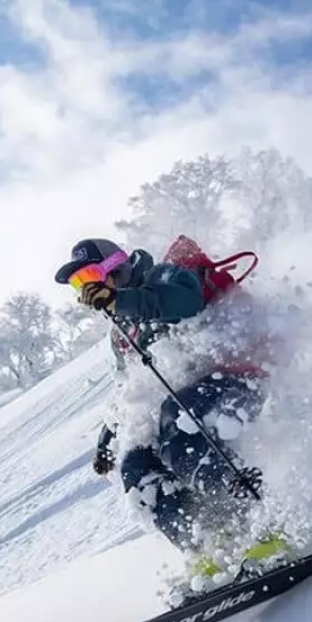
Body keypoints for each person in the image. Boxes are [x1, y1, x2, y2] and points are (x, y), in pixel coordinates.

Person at [55, 236, 268, 555]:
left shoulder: (164, 276)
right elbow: (131, 387)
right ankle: (208, 548)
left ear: (117, 266)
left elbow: (185, 302)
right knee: (137, 463)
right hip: (190, 398)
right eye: (78, 283)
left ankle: (259, 520)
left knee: (178, 422)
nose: (87, 288)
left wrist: (119, 300)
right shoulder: (121, 331)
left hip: (238, 378)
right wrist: (109, 436)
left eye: (91, 276)